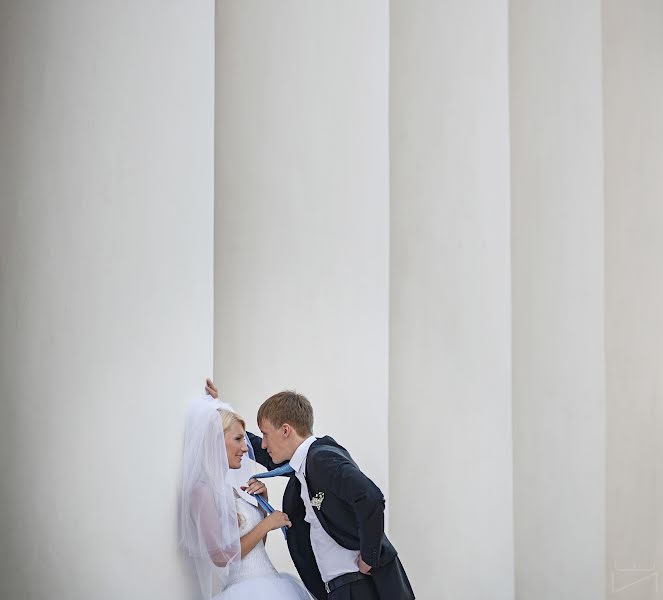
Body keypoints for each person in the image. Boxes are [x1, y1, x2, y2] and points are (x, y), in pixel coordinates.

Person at [205, 380, 415, 600]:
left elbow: (370, 497)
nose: (263, 444)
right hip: (340, 589)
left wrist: (370, 557)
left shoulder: (321, 458)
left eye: (266, 434)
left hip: (360, 585)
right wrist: (218, 411)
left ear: (285, 430)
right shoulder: (304, 463)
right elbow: (253, 448)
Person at [180, 394, 313, 600]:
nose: (245, 448)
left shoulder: (230, 489)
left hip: (271, 583)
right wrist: (267, 523)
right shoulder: (202, 491)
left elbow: (256, 548)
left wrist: (263, 505)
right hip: (245, 590)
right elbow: (221, 557)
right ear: (215, 440)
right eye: (238, 439)